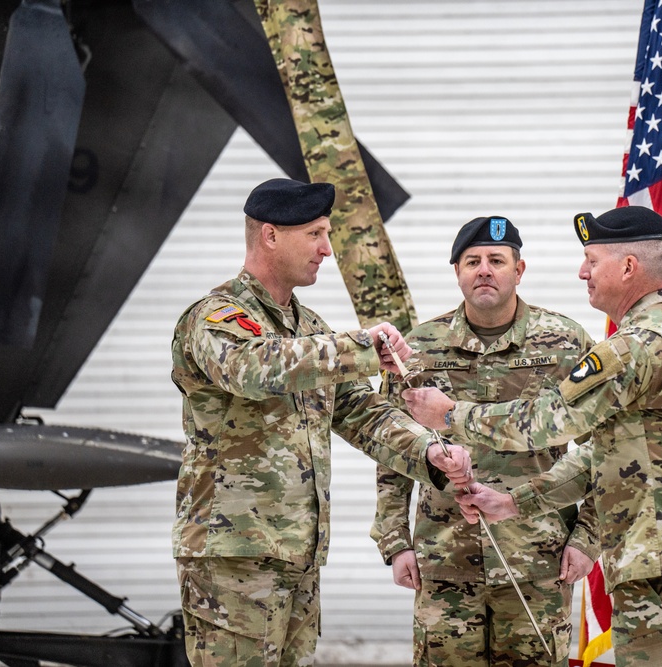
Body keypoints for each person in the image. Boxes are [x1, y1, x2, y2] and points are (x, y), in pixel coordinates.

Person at [402, 206, 662, 667]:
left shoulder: (640, 345)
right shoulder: (653, 335)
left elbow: (551, 418)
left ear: (627, 267)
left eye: (592, 259)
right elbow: (602, 455)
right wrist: (513, 502)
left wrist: (452, 415)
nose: (582, 271)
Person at [169, 177, 472, 667]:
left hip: (298, 555)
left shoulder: (309, 329)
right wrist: (361, 346)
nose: (327, 250)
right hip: (233, 555)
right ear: (271, 236)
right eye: (315, 234)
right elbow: (253, 369)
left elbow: (359, 410)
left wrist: (428, 452)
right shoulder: (215, 317)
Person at [372, 216, 601, 666]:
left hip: (540, 559)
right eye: (472, 261)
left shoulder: (566, 343)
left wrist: (587, 539)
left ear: (519, 270)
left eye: (497, 260)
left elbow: (608, 448)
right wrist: (395, 541)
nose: (484, 270)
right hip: (443, 558)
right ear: (456, 271)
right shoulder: (419, 349)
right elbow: (391, 449)